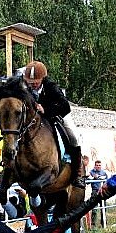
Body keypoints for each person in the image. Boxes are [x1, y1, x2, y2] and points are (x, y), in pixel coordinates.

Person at [23, 61, 85, 189]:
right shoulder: (23, 85)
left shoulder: (51, 86)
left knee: (74, 137)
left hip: (56, 114)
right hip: (33, 120)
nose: (33, 84)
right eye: (30, 82)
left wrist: (45, 109)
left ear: (42, 79)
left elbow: (65, 107)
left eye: (36, 82)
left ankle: (78, 173)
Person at [89, 160, 108, 228]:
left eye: (99, 165)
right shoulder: (91, 172)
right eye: (97, 165)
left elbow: (107, 182)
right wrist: (93, 177)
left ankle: (104, 224)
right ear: (95, 166)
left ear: (101, 166)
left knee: (103, 209)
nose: (98, 166)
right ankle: (93, 226)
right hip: (94, 191)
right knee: (94, 209)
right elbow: (88, 181)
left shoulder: (104, 172)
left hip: (103, 192)